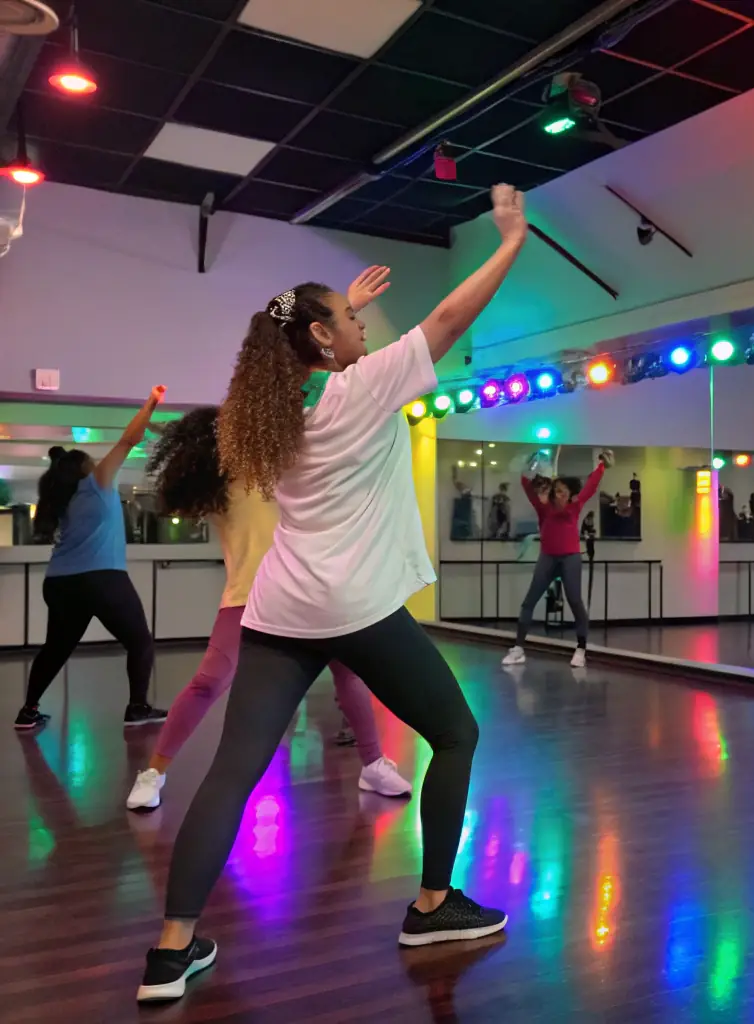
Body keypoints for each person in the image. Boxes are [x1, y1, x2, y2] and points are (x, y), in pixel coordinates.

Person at [136, 184, 527, 1004]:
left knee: (232, 773)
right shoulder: (360, 390)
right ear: (322, 340)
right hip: (355, 607)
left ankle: (171, 954)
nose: (361, 329)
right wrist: (509, 242)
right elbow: (451, 320)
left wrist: (328, 312)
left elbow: (306, 359)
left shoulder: (262, 409)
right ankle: (430, 905)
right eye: (349, 323)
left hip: (280, 609)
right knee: (454, 734)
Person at [124, 403, 412, 812]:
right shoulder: (214, 483)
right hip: (249, 597)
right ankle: (153, 772)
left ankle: (373, 763)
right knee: (208, 683)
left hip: (311, 590)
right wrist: (165, 428)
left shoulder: (282, 465)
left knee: (350, 676)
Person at [15, 388, 169, 730]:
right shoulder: (96, 484)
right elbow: (130, 440)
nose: (96, 463)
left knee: (55, 648)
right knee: (140, 642)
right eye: (90, 460)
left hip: (59, 583)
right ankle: (137, 707)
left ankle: (28, 711)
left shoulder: (63, 499)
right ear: (84, 469)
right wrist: (151, 404)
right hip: (102, 578)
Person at [501, 450, 611, 669]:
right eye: (556, 490)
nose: (558, 494)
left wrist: (601, 466)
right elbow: (526, 484)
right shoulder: (544, 508)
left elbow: (590, 486)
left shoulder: (575, 506)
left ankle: (581, 649)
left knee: (575, 602)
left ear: (569, 495)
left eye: (562, 491)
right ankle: (518, 649)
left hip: (570, 559)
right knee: (529, 602)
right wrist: (527, 466)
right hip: (548, 558)